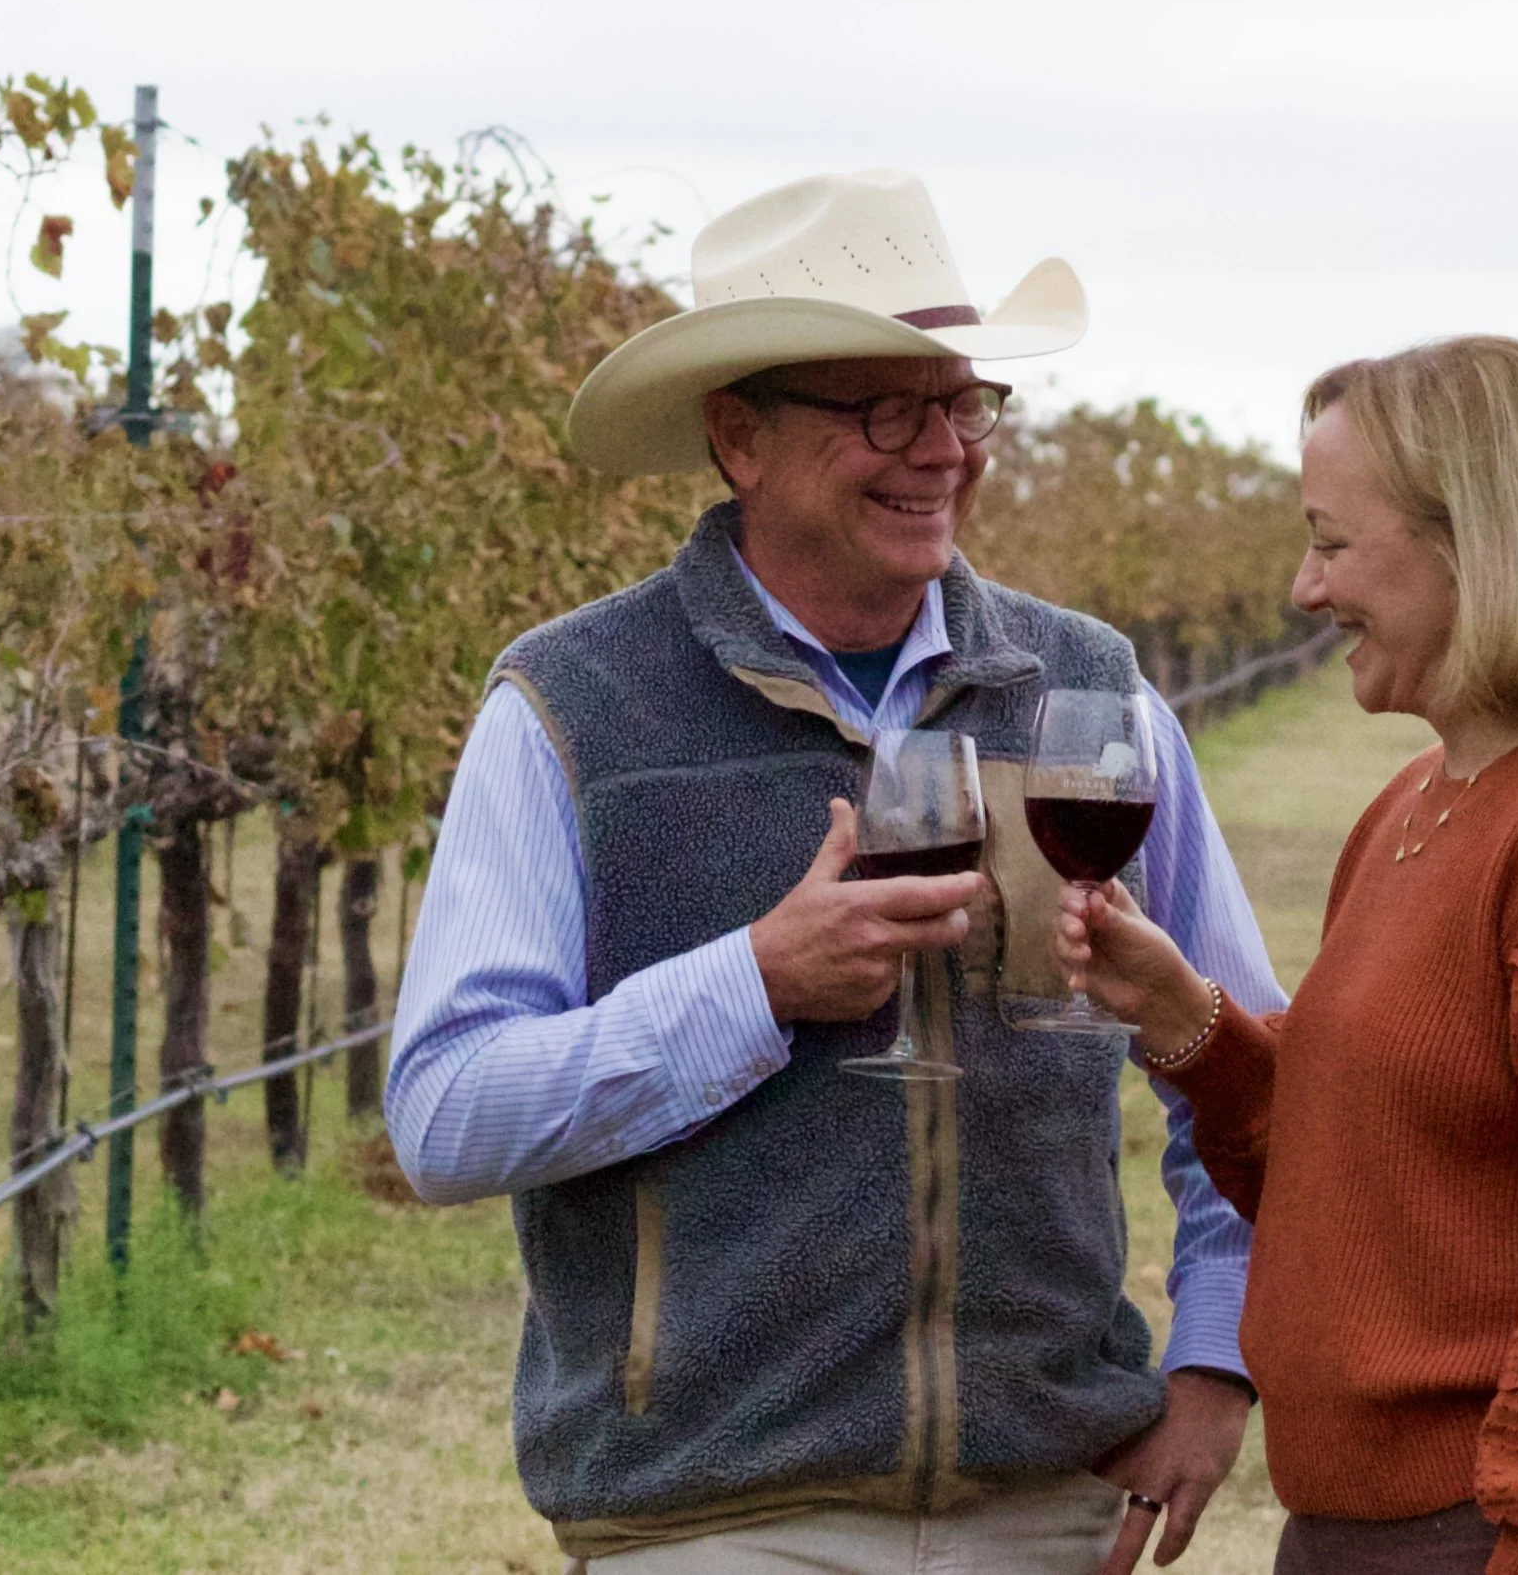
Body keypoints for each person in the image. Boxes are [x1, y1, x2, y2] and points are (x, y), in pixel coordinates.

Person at [385, 171, 1277, 1574]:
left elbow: (1238, 1063)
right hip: (711, 1515)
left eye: (962, 403)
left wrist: (1218, 1366)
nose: (941, 452)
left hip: (1049, 1502)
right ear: (738, 435)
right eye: (883, 408)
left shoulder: (1085, 694)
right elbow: (443, 1116)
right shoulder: (570, 707)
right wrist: (755, 985)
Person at [1055, 335, 1518, 1574]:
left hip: (1504, 1534)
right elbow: (1357, 1188)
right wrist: (1189, 1025)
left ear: (1478, 543)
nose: (1302, 590)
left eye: (1332, 542)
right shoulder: (1424, 801)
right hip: (1385, 1530)